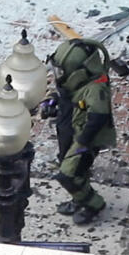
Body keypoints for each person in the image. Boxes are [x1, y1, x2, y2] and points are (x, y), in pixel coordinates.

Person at [45, 38, 117, 225]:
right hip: (68, 130)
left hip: (84, 139)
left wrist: (83, 142)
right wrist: (51, 101)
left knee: (67, 175)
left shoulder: (96, 88)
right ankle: (78, 200)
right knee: (76, 171)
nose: (59, 75)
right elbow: (65, 96)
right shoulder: (75, 82)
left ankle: (93, 204)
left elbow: (98, 116)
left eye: (62, 70)